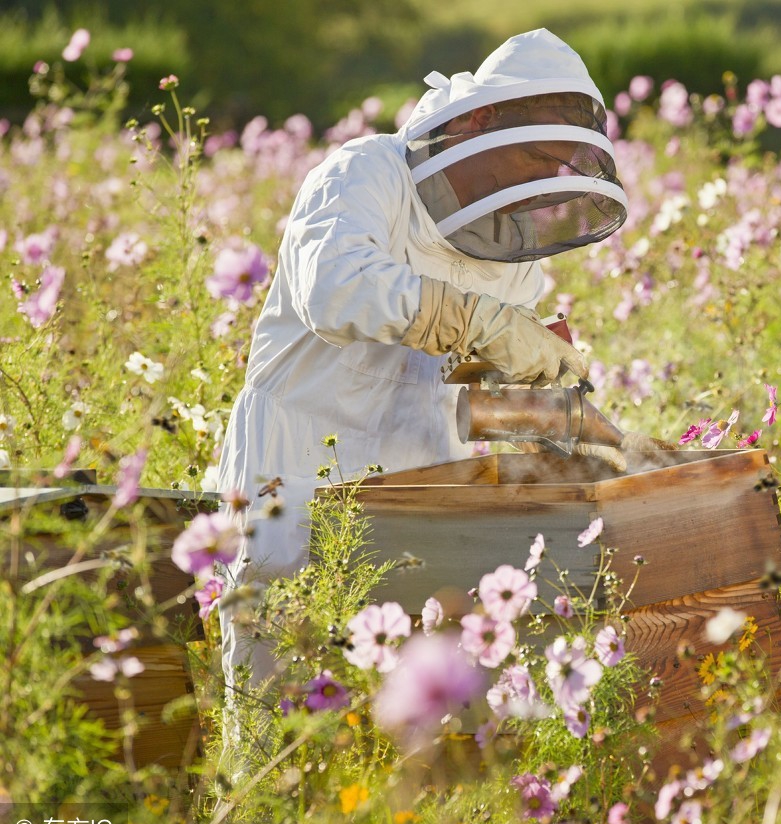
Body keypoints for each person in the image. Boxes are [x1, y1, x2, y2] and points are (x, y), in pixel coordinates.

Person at [215, 30, 631, 702]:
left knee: (402, 718)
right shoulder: (363, 174)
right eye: (532, 155)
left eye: (554, 165)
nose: (538, 181)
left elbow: (474, 396)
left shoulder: (514, 252)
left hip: (421, 486)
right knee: (277, 697)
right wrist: (476, 321)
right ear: (476, 123)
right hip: (293, 467)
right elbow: (336, 289)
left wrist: (553, 405)